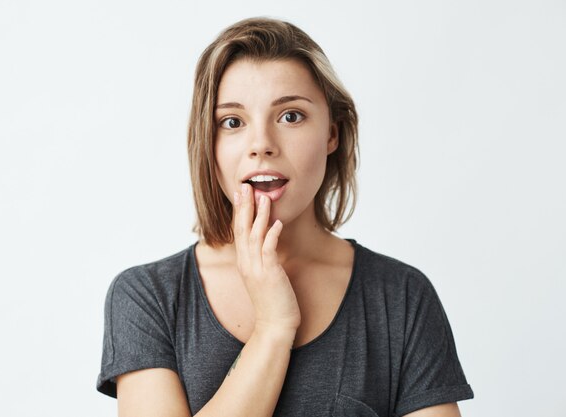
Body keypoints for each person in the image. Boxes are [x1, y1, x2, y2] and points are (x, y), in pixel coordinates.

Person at [96, 17, 474, 417]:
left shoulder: (401, 298)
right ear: (208, 143)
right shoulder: (147, 297)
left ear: (333, 133)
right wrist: (273, 328)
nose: (261, 145)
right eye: (232, 122)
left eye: (290, 116)